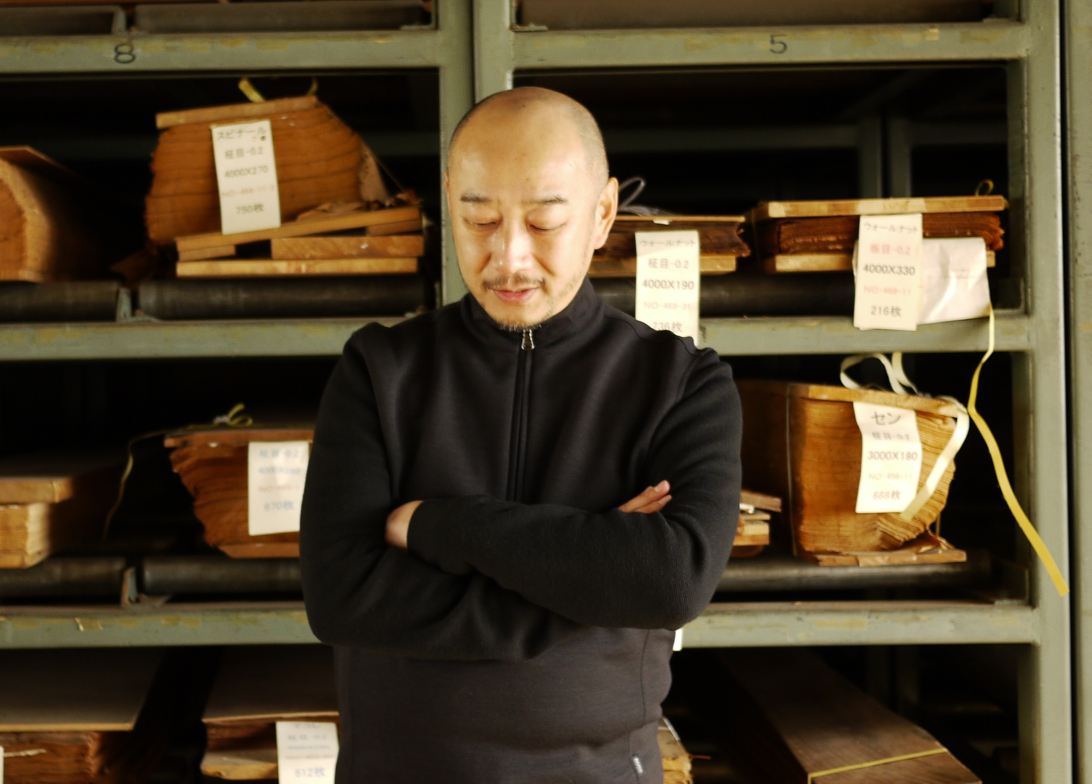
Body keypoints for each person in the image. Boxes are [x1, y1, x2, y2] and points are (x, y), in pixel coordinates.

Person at [299, 86, 742, 784]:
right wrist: (587, 585)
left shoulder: (681, 383)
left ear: (601, 214)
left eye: (543, 223)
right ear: (449, 199)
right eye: (479, 219)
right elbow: (340, 595)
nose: (508, 258)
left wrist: (443, 526)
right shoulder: (379, 370)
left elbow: (670, 578)